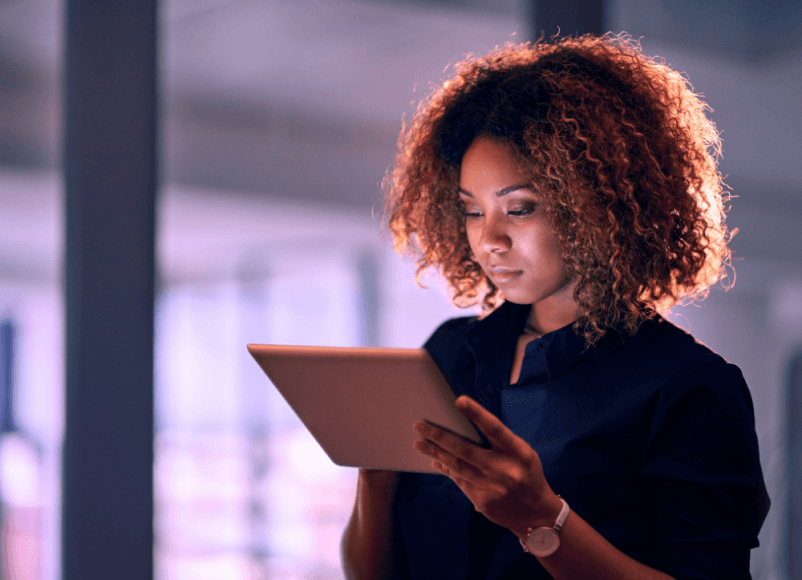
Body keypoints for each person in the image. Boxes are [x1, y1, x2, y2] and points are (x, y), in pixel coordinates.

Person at [341, 34, 768, 580]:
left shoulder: (688, 387)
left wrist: (542, 519)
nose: (488, 239)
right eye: (472, 211)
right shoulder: (449, 354)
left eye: (518, 209)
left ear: (599, 206)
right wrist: (374, 481)